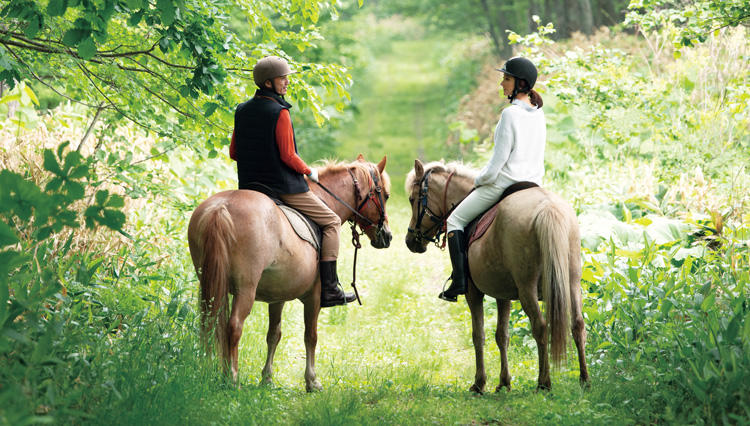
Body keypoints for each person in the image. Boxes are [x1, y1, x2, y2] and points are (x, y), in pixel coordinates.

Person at [229, 55, 356, 308]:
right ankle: (330, 289)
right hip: (283, 188)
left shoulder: (242, 110)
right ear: (268, 83)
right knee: (331, 221)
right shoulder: (280, 112)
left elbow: (233, 153)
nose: (287, 82)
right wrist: (309, 172)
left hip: (250, 187)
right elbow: (288, 155)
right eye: (282, 78)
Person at [439, 56, 546, 302]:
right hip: (533, 184)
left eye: (506, 79)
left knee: (455, 220)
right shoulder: (539, 114)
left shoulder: (510, 115)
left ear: (520, 83)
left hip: (505, 184)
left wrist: (478, 181)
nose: (501, 84)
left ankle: (459, 282)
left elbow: (496, 165)